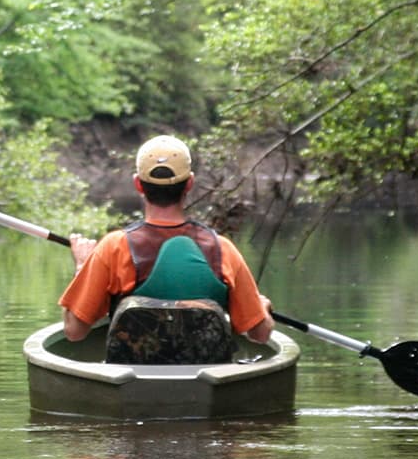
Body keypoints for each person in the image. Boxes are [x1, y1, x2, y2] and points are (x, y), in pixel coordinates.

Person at [59, 134, 274, 348]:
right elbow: (260, 333)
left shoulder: (114, 247)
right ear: (189, 183)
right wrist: (261, 308)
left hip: (132, 378)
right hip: (207, 375)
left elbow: (74, 331)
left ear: (138, 185)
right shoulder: (222, 250)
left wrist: (82, 266)